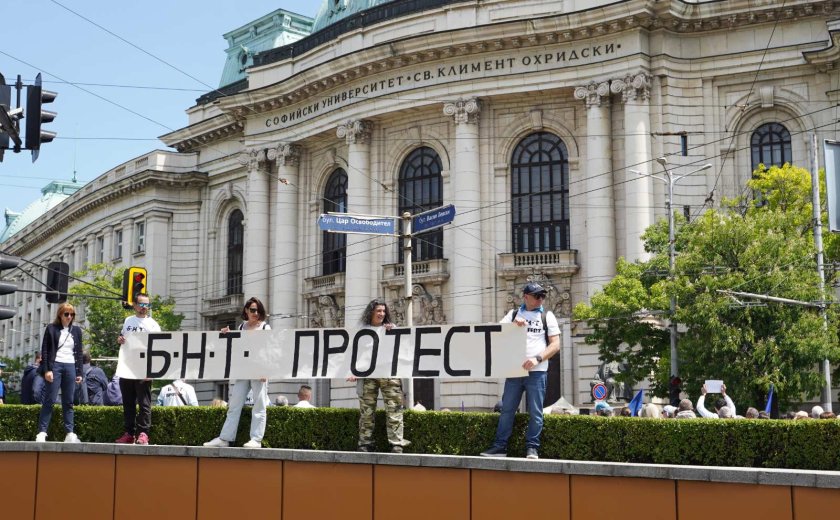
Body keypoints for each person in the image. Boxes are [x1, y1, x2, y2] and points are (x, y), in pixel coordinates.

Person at [481, 282, 560, 460]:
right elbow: (497, 333)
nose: (541, 299)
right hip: (515, 371)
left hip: (538, 371)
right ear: (526, 297)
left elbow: (555, 345)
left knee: (536, 411)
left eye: (543, 296)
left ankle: (532, 448)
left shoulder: (548, 316)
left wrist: (537, 359)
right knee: (507, 409)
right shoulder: (513, 314)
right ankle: (500, 447)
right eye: (537, 296)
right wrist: (511, 326)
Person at [204, 297, 271, 449]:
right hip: (243, 369)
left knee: (259, 405)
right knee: (234, 405)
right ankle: (225, 438)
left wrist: (266, 370)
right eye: (253, 310)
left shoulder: (265, 328)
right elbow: (238, 345)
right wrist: (228, 334)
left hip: (258, 370)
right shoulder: (242, 327)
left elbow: (269, 350)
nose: (256, 313)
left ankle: (256, 440)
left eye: (258, 310)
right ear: (246, 311)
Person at [348, 299, 410, 453]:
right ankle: (365, 443)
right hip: (367, 376)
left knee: (394, 409)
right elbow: (354, 353)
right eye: (378, 311)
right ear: (371, 312)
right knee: (366, 411)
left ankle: (396, 444)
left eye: (384, 311)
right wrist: (352, 370)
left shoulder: (391, 329)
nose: (382, 314)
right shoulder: (360, 331)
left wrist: (393, 331)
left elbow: (401, 348)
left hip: (389, 375)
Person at [115, 293, 161, 445]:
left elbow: (159, 349)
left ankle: (143, 433)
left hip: (143, 369)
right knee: (128, 403)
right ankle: (129, 433)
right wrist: (120, 339)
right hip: (127, 367)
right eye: (141, 304)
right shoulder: (128, 320)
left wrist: (152, 370)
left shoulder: (153, 325)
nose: (144, 307)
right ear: (134, 305)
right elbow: (122, 338)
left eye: (147, 305)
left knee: (144, 404)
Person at [35, 303, 84, 442]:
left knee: (68, 401)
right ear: (60, 315)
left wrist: (79, 372)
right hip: (55, 365)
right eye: (66, 314)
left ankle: (70, 433)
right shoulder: (51, 328)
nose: (69, 317)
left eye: (72, 314)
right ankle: (42, 432)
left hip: (70, 366)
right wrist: (47, 370)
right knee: (49, 400)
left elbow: (79, 353)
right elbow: (45, 350)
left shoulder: (76, 331)